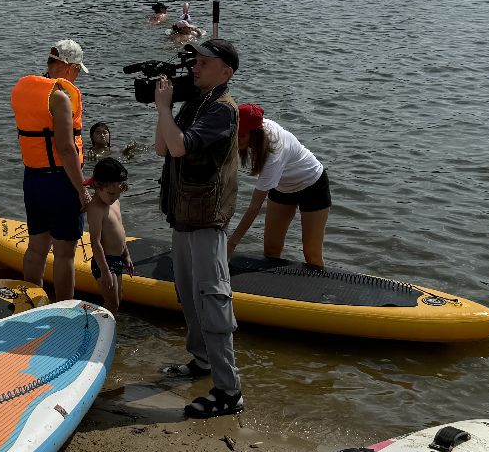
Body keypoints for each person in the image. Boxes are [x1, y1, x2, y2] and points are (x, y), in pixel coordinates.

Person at [154, 37, 243, 419]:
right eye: (196, 61)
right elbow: (162, 147)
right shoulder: (196, 101)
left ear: (225, 71)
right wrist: (165, 109)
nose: (196, 67)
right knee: (190, 296)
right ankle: (202, 361)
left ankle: (229, 392)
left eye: (205, 63)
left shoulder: (222, 110)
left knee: (213, 302)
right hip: (184, 216)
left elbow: (179, 147)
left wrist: (163, 107)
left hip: (207, 219)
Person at [11, 40, 90, 302]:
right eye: (77, 70)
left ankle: (30, 303)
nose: (77, 76)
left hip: (33, 179)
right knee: (65, 254)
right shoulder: (59, 98)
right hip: (61, 183)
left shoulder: (24, 89)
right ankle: (65, 310)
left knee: (36, 248)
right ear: (69, 67)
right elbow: (66, 149)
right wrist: (82, 191)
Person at [227, 104, 331, 267]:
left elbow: (254, 207)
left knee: (312, 256)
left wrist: (231, 244)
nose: (237, 139)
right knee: (271, 250)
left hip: (312, 185)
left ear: (255, 134)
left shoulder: (273, 153)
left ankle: (320, 283)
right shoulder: (255, 127)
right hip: (283, 187)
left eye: (242, 135)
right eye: (236, 133)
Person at [85, 157, 133, 315]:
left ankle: (108, 326)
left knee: (118, 300)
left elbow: (120, 231)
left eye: (118, 193)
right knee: (111, 303)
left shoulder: (114, 202)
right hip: (104, 262)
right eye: (111, 193)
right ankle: (96, 325)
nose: (114, 197)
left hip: (117, 259)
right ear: (98, 187)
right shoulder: (96, 208)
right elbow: (95, 242)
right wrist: (105, 271)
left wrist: (126, 255)